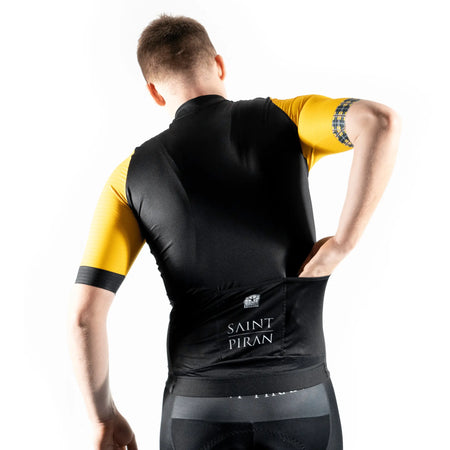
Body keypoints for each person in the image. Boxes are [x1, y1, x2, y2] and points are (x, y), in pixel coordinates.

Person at [67, 13, 401, 450]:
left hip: (198, 409)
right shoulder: (290, 119)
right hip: (299, 397)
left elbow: (84, 317)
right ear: (219, 65)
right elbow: (379, 121)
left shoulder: (128, 178)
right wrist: (342, 244)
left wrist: (103, 418)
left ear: (153, 91)